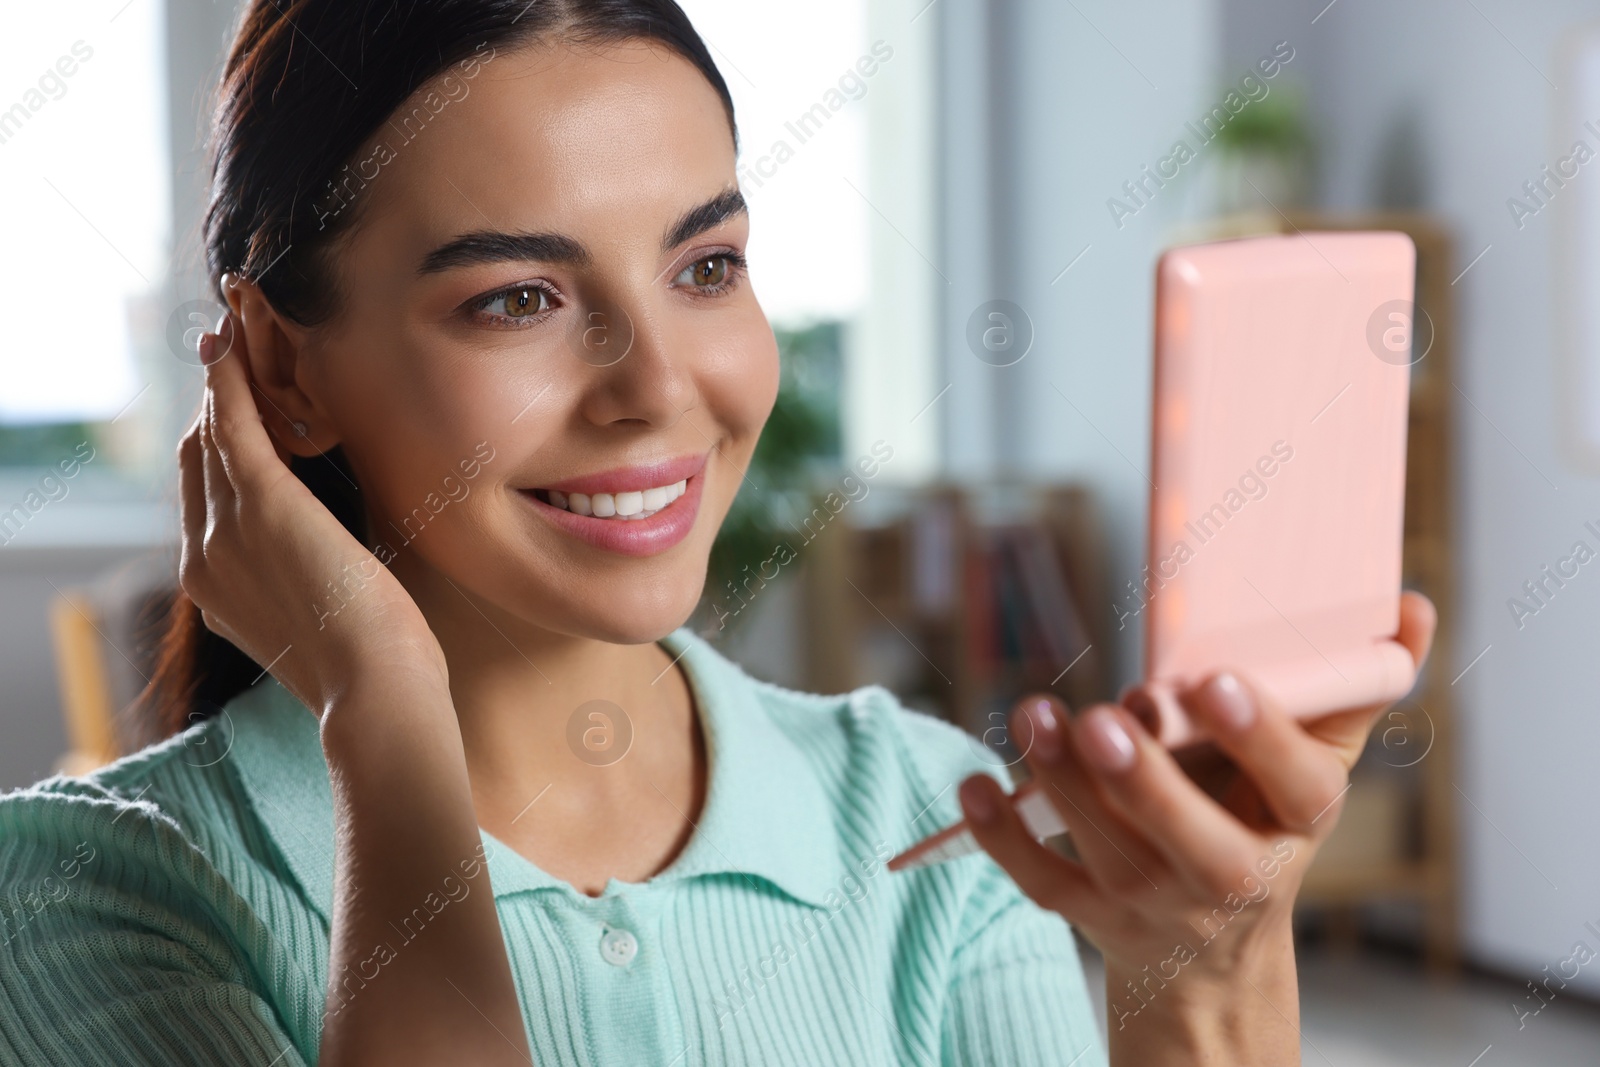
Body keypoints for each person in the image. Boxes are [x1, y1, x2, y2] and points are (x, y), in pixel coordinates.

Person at [0, 2, 1436, 1064]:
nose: (661, 389)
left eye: (707, 266)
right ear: (287, 373)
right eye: (517, 297)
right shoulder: (81, 889)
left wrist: (1206, 969)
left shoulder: (925, 820)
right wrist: (384, 714)